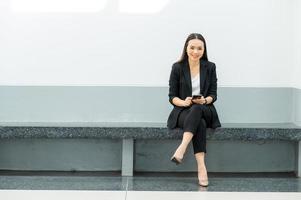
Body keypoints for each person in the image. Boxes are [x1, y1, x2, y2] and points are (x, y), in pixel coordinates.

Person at [167, 33, 221, 187]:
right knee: (200, 124)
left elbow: (213, 95)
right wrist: (184, 102)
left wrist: (204, 100)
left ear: (204, 50)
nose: (195, 51)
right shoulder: (177, 67)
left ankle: (182, 148)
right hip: (183, 111)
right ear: (186, 48)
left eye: (199, 48)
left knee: (198, 108)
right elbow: (172, 97)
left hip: (205, 108)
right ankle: (201, 167)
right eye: (192, 47)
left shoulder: (210, 67)